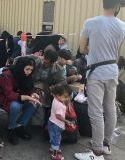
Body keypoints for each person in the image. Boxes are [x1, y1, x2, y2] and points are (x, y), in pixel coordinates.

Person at [74, 0, 125, 159]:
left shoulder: (90, 22)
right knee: (110, 109)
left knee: (95, 111)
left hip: (96, 72)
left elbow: (82, 49)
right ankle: (106, 145)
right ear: (117, 6)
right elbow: (116, 54)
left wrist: (94, 49)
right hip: (112, 71)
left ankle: (96, 152)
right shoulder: (122, 25)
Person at [0, 57, 41, 145]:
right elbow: (9, 94)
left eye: (31, 70)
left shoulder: (26, 75)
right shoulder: (7, 75)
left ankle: (19, 126)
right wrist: (27, 97)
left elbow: (29, 88)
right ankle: (10, 129)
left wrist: (33, 94)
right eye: (27, 69)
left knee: (33, 103)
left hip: (17, 96)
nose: (29, 72)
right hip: (1, 97)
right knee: (16, 105)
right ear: (21, 67)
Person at [48, 84, 73, 160]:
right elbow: (58, 116)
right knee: (56, 140)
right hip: (56, 125)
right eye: (65, 97)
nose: (67, 98)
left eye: (68, 96)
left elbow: (54, 93)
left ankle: (53, 149)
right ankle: (55, 155)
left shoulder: (55, 98)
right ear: (58, 95)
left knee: (55, 138)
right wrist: (66, 121)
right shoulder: (59, 105)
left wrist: (66, 101)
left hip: (52, 123)